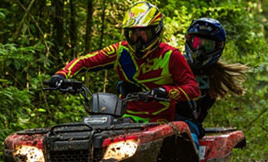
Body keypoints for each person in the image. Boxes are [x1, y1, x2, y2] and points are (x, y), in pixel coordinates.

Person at [47, 1, 200, 125]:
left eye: (143, 34)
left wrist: (165, 92)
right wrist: (61, 75)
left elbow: (193, 89)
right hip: (125, 118)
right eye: (133, 34)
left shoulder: (170, 55)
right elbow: (84, 61)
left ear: (156, 31)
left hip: (160, 122)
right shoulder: (120, 51)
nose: (138, 40)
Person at [177, 17, 248, 136]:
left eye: (207, 45)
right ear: (189, 41)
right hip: (160, 119)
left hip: (188, 126)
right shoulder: (175, 64)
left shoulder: (215, 75)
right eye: (197, 43)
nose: (200, 50)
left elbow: (201, 109)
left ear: (217, 47)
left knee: (188, 139)